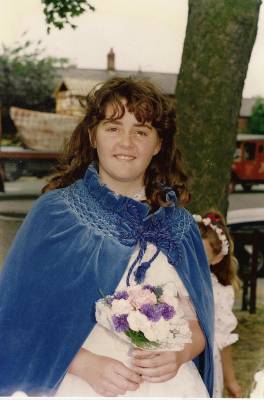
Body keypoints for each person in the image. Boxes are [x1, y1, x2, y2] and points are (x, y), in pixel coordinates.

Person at [0, 77, 214, 397]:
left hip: (170, 388)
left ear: (158, 145)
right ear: (93, 136)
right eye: (113, 128)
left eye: (141, 131)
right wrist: (84, 364)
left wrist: (180, 354)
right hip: (77, 383)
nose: (126, 142)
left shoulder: (180, 227)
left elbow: (199, 326)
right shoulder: (55, 214)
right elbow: (18, 318)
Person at [194, 211, 242, 397]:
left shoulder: (219, 292)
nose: (194, 261)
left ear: (217, 258)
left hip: (206, 364)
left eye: (202, 256)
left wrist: (231, 381)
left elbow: (223, 339)